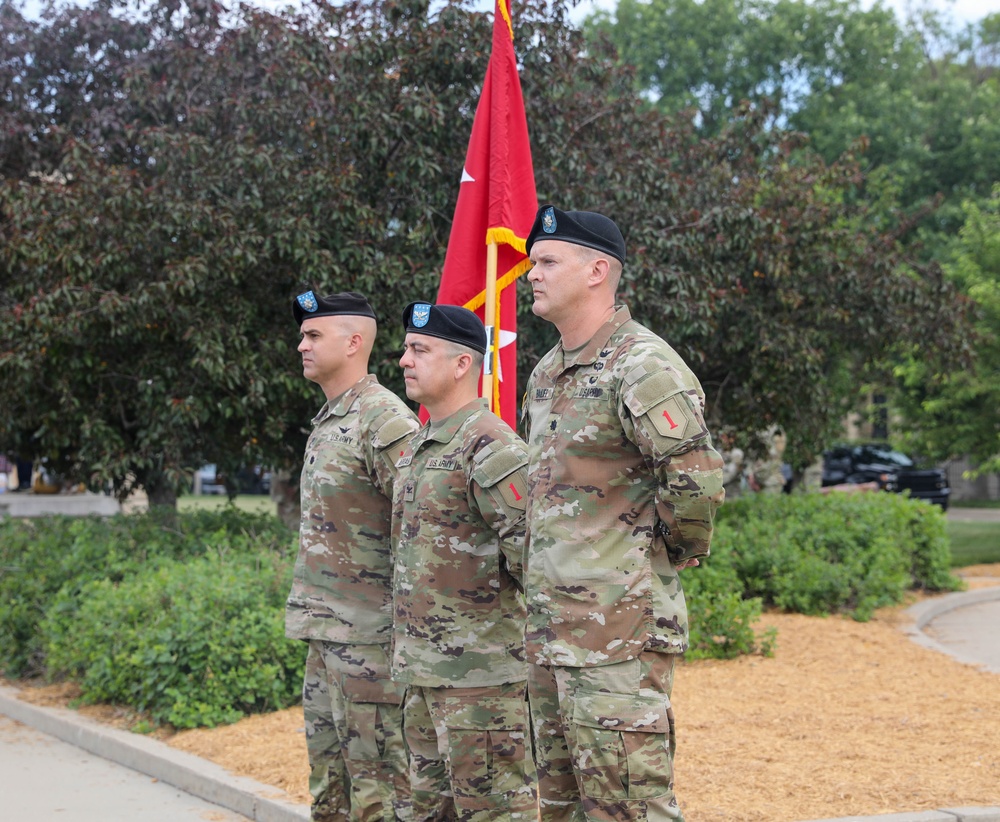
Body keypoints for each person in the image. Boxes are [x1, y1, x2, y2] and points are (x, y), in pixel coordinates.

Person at [522, 205, 725, 821]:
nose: (532, 274)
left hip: (619, 634)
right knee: (561, 808)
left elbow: (696, 482)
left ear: (597, 271)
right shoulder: (547, 373)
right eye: (533, 262)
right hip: (552, 635)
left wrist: (656, 556)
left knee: (630, 808)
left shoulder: (641, 365)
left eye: (547, 261)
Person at [392, 302, 537, 821]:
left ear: (461, 364)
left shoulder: (492, 447)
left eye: (419, 349)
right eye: (407, 348)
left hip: (481, 684)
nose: (404, 360)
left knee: (497, 812)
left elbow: (534, 561)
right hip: (425, 674)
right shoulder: (421, 445)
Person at [284, 290, 420, 822]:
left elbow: (422, 521)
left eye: (314, 335)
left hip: (371, 643)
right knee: (331, 794)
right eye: (303, 335)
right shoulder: (331, 418)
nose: (302, 345)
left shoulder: (382, 420)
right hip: (328, 637)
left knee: (380, 796)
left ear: (355, 341)